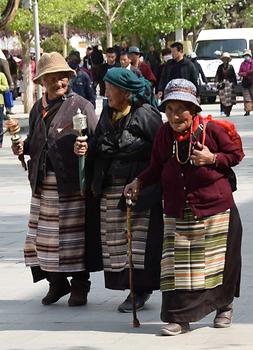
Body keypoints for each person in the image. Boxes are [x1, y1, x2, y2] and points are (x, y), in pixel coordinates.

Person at [124, 78, 243, 335]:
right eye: (169, 110)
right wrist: (138, 182)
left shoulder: (212, 130)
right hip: (178, 209)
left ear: (194, 109)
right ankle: (179, 319)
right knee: (176, 267)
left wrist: (213, 158)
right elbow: (155, 167)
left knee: (216, 264)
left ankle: (224, 306)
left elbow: (235, 155)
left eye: (181, 109)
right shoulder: (164, 134)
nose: (174, 115)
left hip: (215, 208)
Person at [10, 52, 98, 307]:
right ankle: (56, 283)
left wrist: (86, 148)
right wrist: (22, 148)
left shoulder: (81, 105)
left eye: (63, 79)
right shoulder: (38, 108)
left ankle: (80, 286)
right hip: (42, 183)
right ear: (42, 82)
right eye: (53, 80)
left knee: (73, 238)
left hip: (71, 184)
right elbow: (36, 140)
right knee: (41, 239)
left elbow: (97, 140)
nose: (59, 84)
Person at [74, 68, 164, 313]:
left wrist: (123, 149)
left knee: (137, 240)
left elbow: (159, 149)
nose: (106, 92)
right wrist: (86, 148)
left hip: (137, 186)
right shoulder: (108, 113)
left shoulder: (145, 113)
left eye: (110, 87)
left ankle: (140, 288)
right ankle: (127, 285)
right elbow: (99, 142)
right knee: (115, 240)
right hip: (109, 186)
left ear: (125, 91)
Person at [215, 52, 237, 117]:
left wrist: (234, 83)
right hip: (222, 84)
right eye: (224, 59)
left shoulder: (231, 67)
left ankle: (228, 111)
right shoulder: (220, 67)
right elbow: (217, 75)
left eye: (226, 59)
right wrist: (217, 82)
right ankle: (222, 110)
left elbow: (234, 76)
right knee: (222, 98)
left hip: (229, 84)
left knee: (230, 99)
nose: (225, 60)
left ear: (228, 59)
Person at [239, 49, 253, 116]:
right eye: (245, 55)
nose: (246, 57)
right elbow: (240, 72)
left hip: (252, 81)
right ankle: (247, 111)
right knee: (247, 97)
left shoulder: (252, 62)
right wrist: (245, 74)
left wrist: (247, 72)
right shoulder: (242, 64)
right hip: (245, 82)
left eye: (247, 55)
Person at [0, 72, 9, 148]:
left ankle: (0, 142)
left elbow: (6, 87)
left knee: (0, 124)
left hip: (0, 103)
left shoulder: (1, 75)